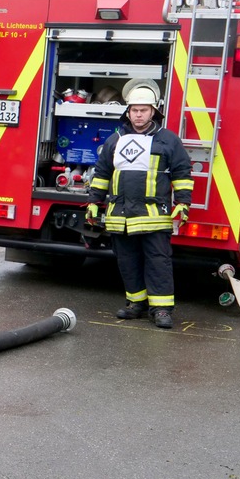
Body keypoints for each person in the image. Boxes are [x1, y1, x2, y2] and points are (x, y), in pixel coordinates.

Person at [86, 83, 193, 329]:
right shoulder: (116, 140)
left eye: (144, 110)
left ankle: (162, 310)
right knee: (128, 262)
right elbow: (102, 173)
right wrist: (94, 202)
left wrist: (183, 203)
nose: (138, 115)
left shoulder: (168, 140)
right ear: (128, 112)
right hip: (120, 217)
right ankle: (136, 304)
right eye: (134, 110)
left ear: (153, 111)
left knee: (158, 262)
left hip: (153, 216)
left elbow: (182, 173)